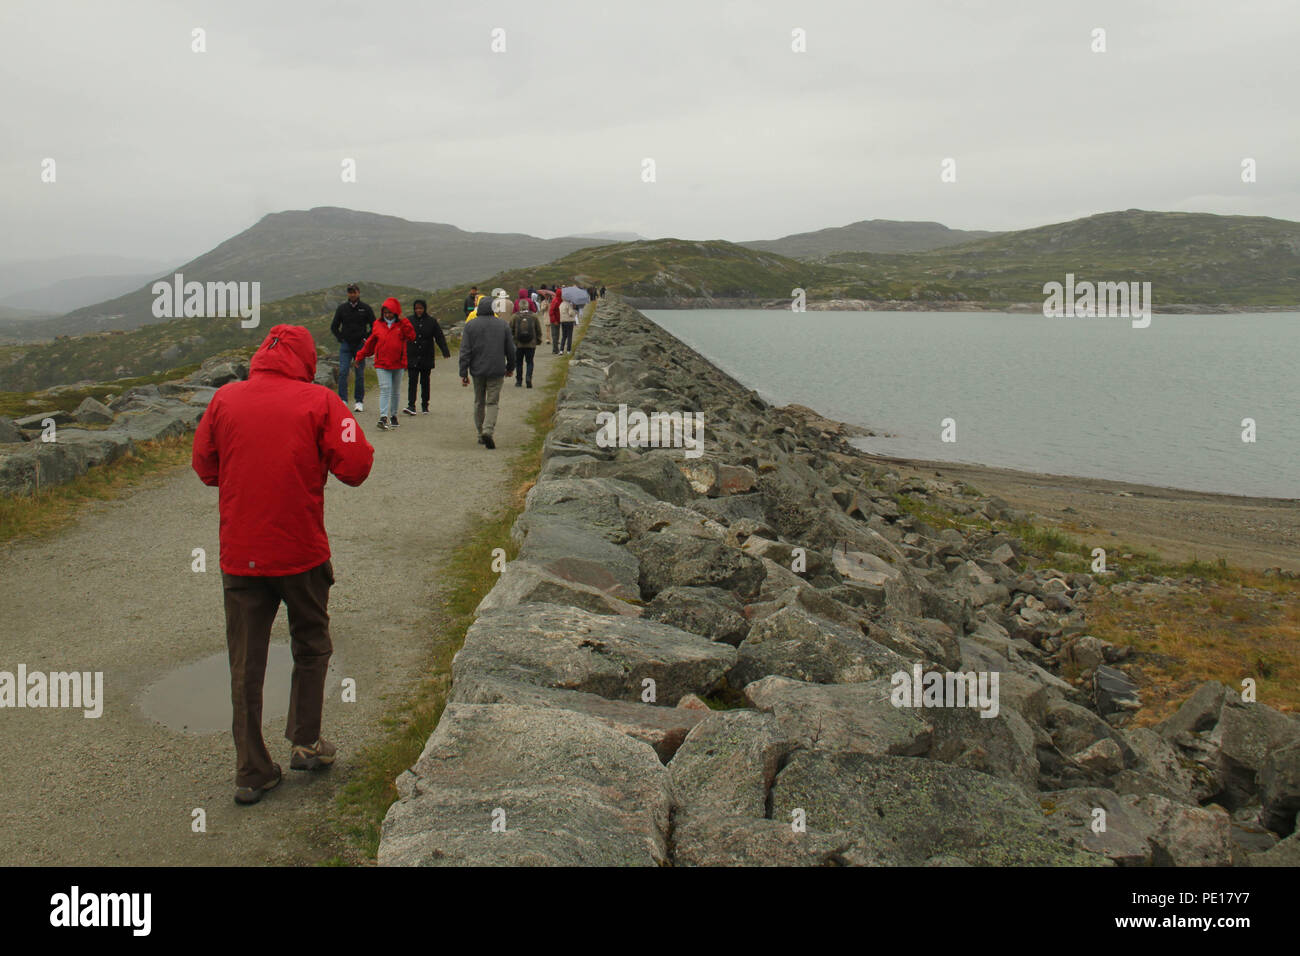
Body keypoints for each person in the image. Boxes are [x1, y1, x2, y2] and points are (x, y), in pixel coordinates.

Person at [192, 324, 374, 806]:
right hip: (300, 552)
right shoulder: (321, 402)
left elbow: (206, 467)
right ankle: (306, 742)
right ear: (306, 360)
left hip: (241, 553)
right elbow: (356, 467)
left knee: (245, 661)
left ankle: (251, 770)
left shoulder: (225, 400)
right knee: (310, 644)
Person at [458, 295, 515, 449]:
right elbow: (510, 349)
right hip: (496, 369)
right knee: (492, 402)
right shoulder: (502, 325)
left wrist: (463, 373)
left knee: (479, 401)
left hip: (477, 370)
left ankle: (480, 433)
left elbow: (465, 351)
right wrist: (510, 367)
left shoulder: (470, 326)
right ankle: (488, 430)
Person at [353, 297, 415, 431]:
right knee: (385, 388)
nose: (387, 315)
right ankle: (383, 417)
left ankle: (393, 415)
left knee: (395, 391)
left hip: (398, 363)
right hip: (381, 363)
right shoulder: (377, 324)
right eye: (385, 312)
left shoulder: (402, 325)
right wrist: (360, 356)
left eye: (390, 312)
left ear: (396, 312)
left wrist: (404, 320)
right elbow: (370, 343)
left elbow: (411, 336)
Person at [330, 283, 375, 412]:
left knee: (359, 373)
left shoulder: (365, 308)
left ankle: (359, 401)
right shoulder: (342, 308)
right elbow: (334, 326)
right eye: (350, 292)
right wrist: (340, 338)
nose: (352, 294)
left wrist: (367, 338)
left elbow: (374, 325)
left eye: (354, 292)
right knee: (343, 371)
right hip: (346, 345)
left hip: (360, 345)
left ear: (358, 293)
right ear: (348, 294)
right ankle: (343, 400)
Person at [402, 299, 450, 415]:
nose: (418, 310)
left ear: (424, 309)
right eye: (416, 308)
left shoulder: (432, 322)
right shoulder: (408, 321)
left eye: (421, 308)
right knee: (412, 381)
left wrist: (445, 351)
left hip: (426, 356)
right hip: (412, 355)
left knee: (425, 381)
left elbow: (439, 337)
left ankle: (425, 405)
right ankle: (411, 405)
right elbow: (402, 336)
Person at [510, 288, 542, 388]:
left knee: (518, 362)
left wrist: (512, 340)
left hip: (518, 343)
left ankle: (519, 381)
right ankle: (528, 378)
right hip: (531, 343)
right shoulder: (533, 316)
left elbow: (510, 330)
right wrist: (538, 340)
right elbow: (538, 330)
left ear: (519, 306)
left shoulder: (515, 316)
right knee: (529, 362)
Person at [545, 286, 562, 353]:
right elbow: (551, 312)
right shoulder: (556, 301)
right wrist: (554, 320)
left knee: (557, 335)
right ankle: (555, 349)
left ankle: (555, 349)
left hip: (558, 320)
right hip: (554, 321)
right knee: (555, 335)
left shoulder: (559, 300)